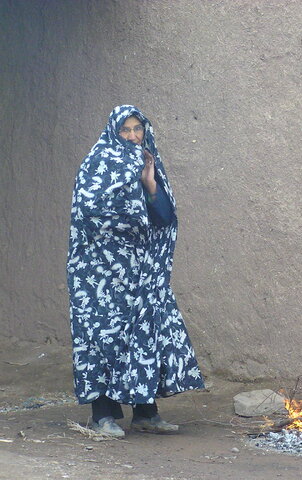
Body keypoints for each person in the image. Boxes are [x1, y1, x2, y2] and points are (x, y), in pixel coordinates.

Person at [67, 105, 205, 437]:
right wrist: (128, 211)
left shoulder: (148, 165)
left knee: (145, 335)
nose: (132, 136)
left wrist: (149, 184)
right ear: (114, 133)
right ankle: (103, 416)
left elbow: (164, 220)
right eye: (125, 130)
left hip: (141, 273)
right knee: (103, 337)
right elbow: (88, 213)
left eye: (137, 129)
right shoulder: (97, 165)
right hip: (98, 273)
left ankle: (145, 413)